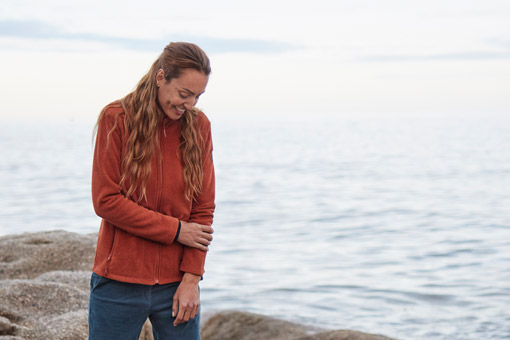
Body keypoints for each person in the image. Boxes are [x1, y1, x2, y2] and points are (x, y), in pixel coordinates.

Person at [89, 42, 215, 340]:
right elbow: (106, 201)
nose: (190, 104)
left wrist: (192, 279)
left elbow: (202, 210)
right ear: (161, 78)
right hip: (118, 281)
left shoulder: (199, 126)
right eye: (184, 94)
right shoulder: (117, 118)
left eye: (198, 96)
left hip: (176, 285)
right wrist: (175, 230)